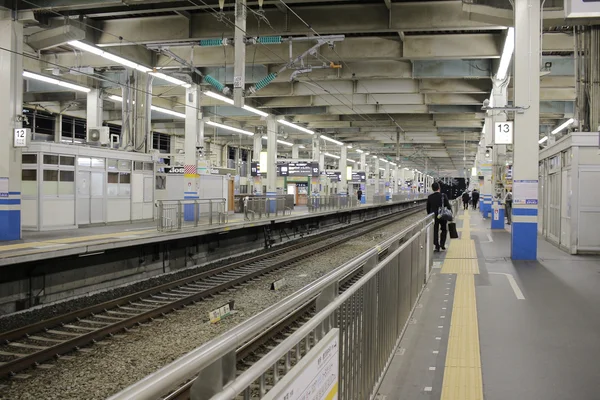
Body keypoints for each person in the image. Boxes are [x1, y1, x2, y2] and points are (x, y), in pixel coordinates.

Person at [427, 182, 452, 252]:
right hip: (443, 215)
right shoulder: (443, 196)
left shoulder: (430, 197)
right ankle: (442, 244)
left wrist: (429, 215)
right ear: (439, 188)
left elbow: (428, 208)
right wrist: (450, 213)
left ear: (432, 189)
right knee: (444, 229)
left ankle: (436, 246)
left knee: (435, 230)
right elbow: (448, 206)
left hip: (434, 216)